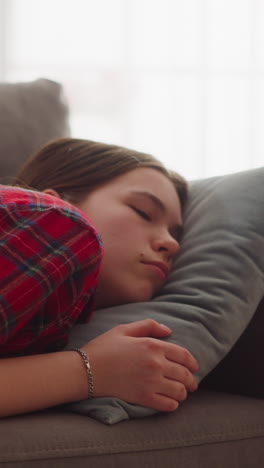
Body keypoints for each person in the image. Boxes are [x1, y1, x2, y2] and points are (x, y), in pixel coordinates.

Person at [0, 138, 198, 418]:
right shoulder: (60, 223)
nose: (171, 244)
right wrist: (89, 371)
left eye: (176, 234)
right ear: (58, 200)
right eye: (143, 212)